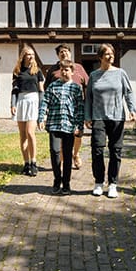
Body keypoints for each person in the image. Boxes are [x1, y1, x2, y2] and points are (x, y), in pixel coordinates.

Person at [83, 43, 136, 198]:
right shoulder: (94, 75)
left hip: (117, 117)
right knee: (97, 149)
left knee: (115, 150)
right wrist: (87, 116)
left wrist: (132, 109)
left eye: (112, 53)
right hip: (98, 117)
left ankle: (113, 184)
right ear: (100, 57)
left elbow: (128, 92)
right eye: (106, 53)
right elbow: (89, 99)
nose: (110, 56)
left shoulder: (120, 73)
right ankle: (99, 182)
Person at [37, 60, 85, 195]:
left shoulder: (76, 88)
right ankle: (57, 180)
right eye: (62, 70)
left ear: (72, 72)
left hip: (69, 126)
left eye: (67, 70)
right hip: (54, 124)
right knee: (55, 151)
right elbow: (44, 102)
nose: (64, 72)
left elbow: (80, 109)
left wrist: (79, 126)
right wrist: (41, 117)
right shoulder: (53, 86)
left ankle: (67, 183)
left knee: (68, 155)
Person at [45, 44, 89, 170]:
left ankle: (75, 154)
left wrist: (86, 103)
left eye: (66, 51)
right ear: (58, 56)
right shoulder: (53, 70)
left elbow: (87, 84)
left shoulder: (78, 67)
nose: (64, 54)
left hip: (76, 107)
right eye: (61, 52)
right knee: (62, 134)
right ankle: (64, 159)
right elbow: (47, 88)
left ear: (70, 53)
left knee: (77, 134)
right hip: (59, 109)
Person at [10, 43, 44, 176]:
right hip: (21, 101)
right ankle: (26, 163)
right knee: (23, 135)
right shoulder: (17, 71)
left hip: (33, 101)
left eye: (32, 55)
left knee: (30, 132)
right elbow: (14, 90)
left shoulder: (38, 71)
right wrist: (12, 104)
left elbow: (41, 91)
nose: (31, 57)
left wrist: (42, 107)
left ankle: (34, 162)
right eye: (28, 54)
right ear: (23, 56)